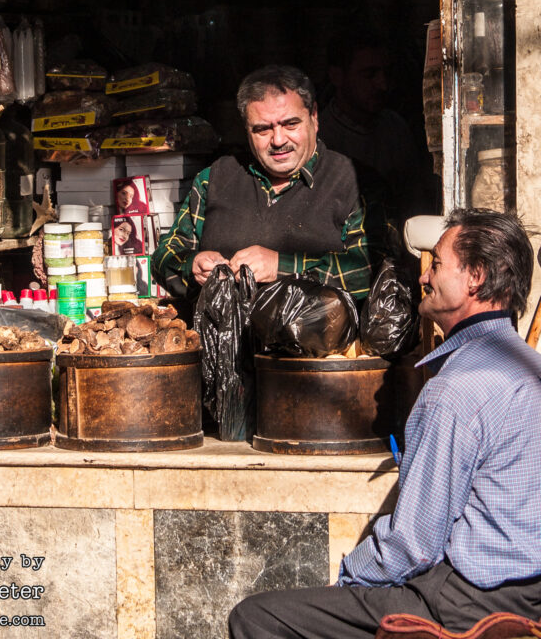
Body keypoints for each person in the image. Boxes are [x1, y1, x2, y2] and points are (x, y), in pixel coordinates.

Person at [228, 208, 541, 639]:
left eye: (437, 264)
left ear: (475, 277)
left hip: (470, 601)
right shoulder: (529, 366)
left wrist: (346, 580)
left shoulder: (457, 389)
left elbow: (412, 546)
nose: (424, 277)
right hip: (527, 594)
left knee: (257, 617)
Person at [152, 64, 378, 303]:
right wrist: (192, 266)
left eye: (291, 124)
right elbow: (163, 258)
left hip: (318, 339)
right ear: (246, 130)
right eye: (262, 129)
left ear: (314, 116)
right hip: (219, 337)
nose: (278, 140)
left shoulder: (355, 183)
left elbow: (371, 270)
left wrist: (281, 267)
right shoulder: (213, 179)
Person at [318, 28, 431, 223]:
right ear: (337, 76)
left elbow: (414, 200)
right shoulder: (319, 137)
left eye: (386, 73)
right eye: (369, 75)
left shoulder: (395, 127)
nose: (382, 85)